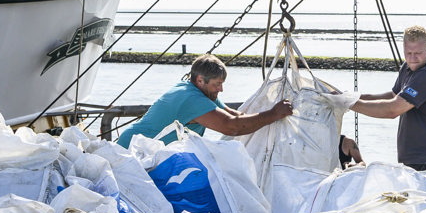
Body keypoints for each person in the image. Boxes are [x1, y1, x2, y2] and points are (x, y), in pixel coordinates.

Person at [114, 54, 293, 144]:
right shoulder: (191, 99)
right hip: (130, 152)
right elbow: (231, 126)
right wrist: (273, 114)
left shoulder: (199, 91)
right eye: (217, 84)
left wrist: (273, 116)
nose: (221, 89)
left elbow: (234, 115)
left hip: (146, 152)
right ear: (200, 80)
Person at [352, 26, 426, 170]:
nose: (413, 58)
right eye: (408, 53)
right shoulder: (408, 66)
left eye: (418, 53)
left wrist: (350, 104)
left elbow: (392, 110)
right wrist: (356, 97)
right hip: (417, 159)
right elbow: (393, 96)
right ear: (403, 48)